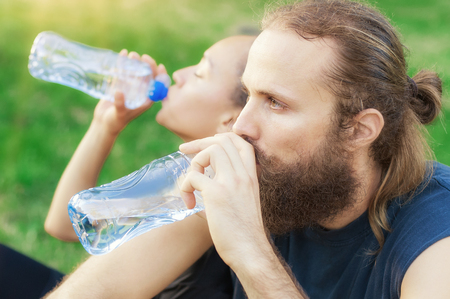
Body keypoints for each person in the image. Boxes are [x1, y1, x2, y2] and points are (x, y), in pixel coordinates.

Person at [46, 0, 450, 298]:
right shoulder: (253, 174)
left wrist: (249, 250)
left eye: (275, 103)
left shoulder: (436, 234)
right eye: (249, 96)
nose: (241, 125)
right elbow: (101, 289)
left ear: (359, 130)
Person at [44, 35, 255, 298]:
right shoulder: (194, 173)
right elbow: (66, 225)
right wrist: (104, 125)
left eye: (200, 73)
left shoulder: (203, 194)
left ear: (231, 120)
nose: (178, 74)